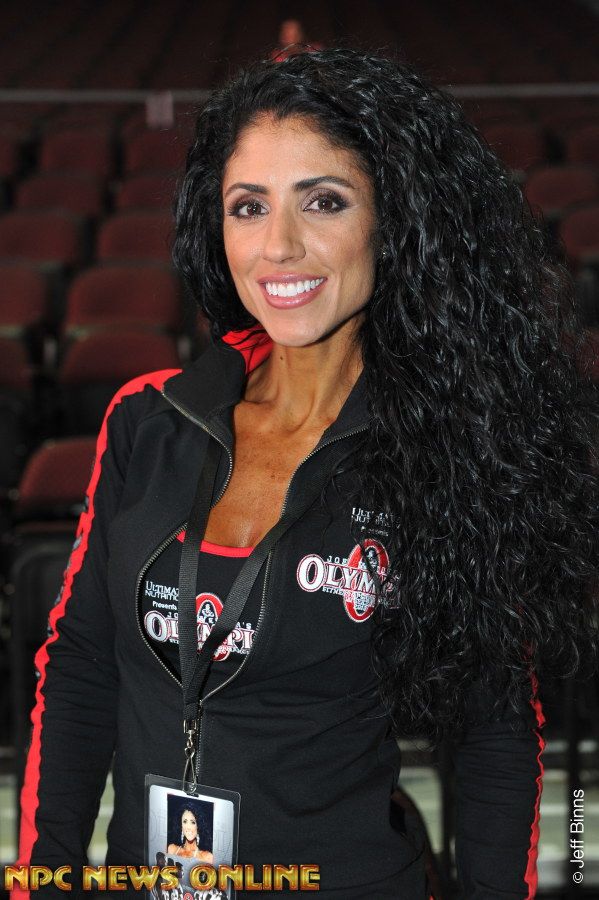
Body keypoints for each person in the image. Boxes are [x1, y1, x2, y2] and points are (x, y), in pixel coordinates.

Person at [16, 48, 599, 898]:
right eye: (247, 207)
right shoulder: (148, 418)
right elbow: (79, 672)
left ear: (394, 222)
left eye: (323, 201)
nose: (278, 246)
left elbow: (492, 735)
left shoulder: (446, 447)